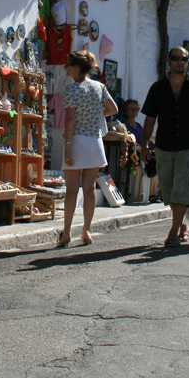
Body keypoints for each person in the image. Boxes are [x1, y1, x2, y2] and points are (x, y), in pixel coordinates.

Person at [140, 45, 189, 248]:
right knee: (169, 190)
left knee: (182, 187)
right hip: (164, 145)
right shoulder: (158, 88)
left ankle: (173, 231)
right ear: (169, 61)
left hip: (188, 146)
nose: (180, 61)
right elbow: (150, 118)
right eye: (176, 58)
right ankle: (183, 223)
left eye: (184, 59)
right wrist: (144, 144)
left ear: (188, 62)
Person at [57, 50, 117, 248]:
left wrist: (67, 146)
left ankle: (67, 232)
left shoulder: (72, 89)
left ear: (76, 68)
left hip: (77, 140)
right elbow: (113, 109)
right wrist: (95, 113)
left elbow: (70, 119)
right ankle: (86, 230)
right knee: (90, 188)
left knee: (72, 190)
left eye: (68, 64)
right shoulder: (99, 87)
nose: (66, 67)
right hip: (94, 141)